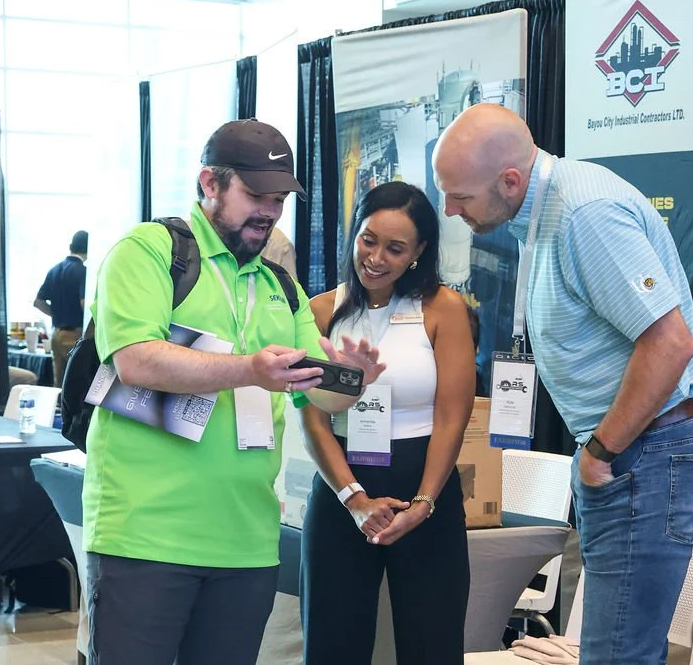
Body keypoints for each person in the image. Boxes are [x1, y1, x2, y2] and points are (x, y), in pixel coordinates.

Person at [433, 104, 693, 665]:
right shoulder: (543, 212)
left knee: (617, 654)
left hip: (649, 449)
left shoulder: (582, 214)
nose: (450, 210)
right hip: (641, 448)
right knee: (615, 650)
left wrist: (599, 452)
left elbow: (670, 344)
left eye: (461, 197)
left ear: (510, 181)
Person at [82, 118, 386, 665]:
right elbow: (134, 359)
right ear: (210, 184)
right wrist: (250, 369)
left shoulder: (279, 285)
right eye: (255, 194)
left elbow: (319, 396)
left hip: (246, 542)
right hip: (145, 535)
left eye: (278, 198)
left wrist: (353, 381)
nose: (269, 210)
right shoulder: (151, 251)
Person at [300, 181, 476, 664]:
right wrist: (353, 497)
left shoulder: (443, 310)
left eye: (395, 248)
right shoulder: (320, 311)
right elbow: (311, 418)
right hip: (341, 487)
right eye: (368, 240)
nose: (375, 258)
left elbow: (452, 415)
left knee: (431, 642)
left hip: (424, 485)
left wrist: (423, 503)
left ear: (419, 251)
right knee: (332, 643)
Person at [34, 230, 88, 386]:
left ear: (71, 246)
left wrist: (57, 314)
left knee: (60, 385)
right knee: (78, 383)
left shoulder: (54, 270)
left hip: (56, 334)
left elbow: (38, 302)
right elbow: (83, 303)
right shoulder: (83, 272)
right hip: (75, 335)